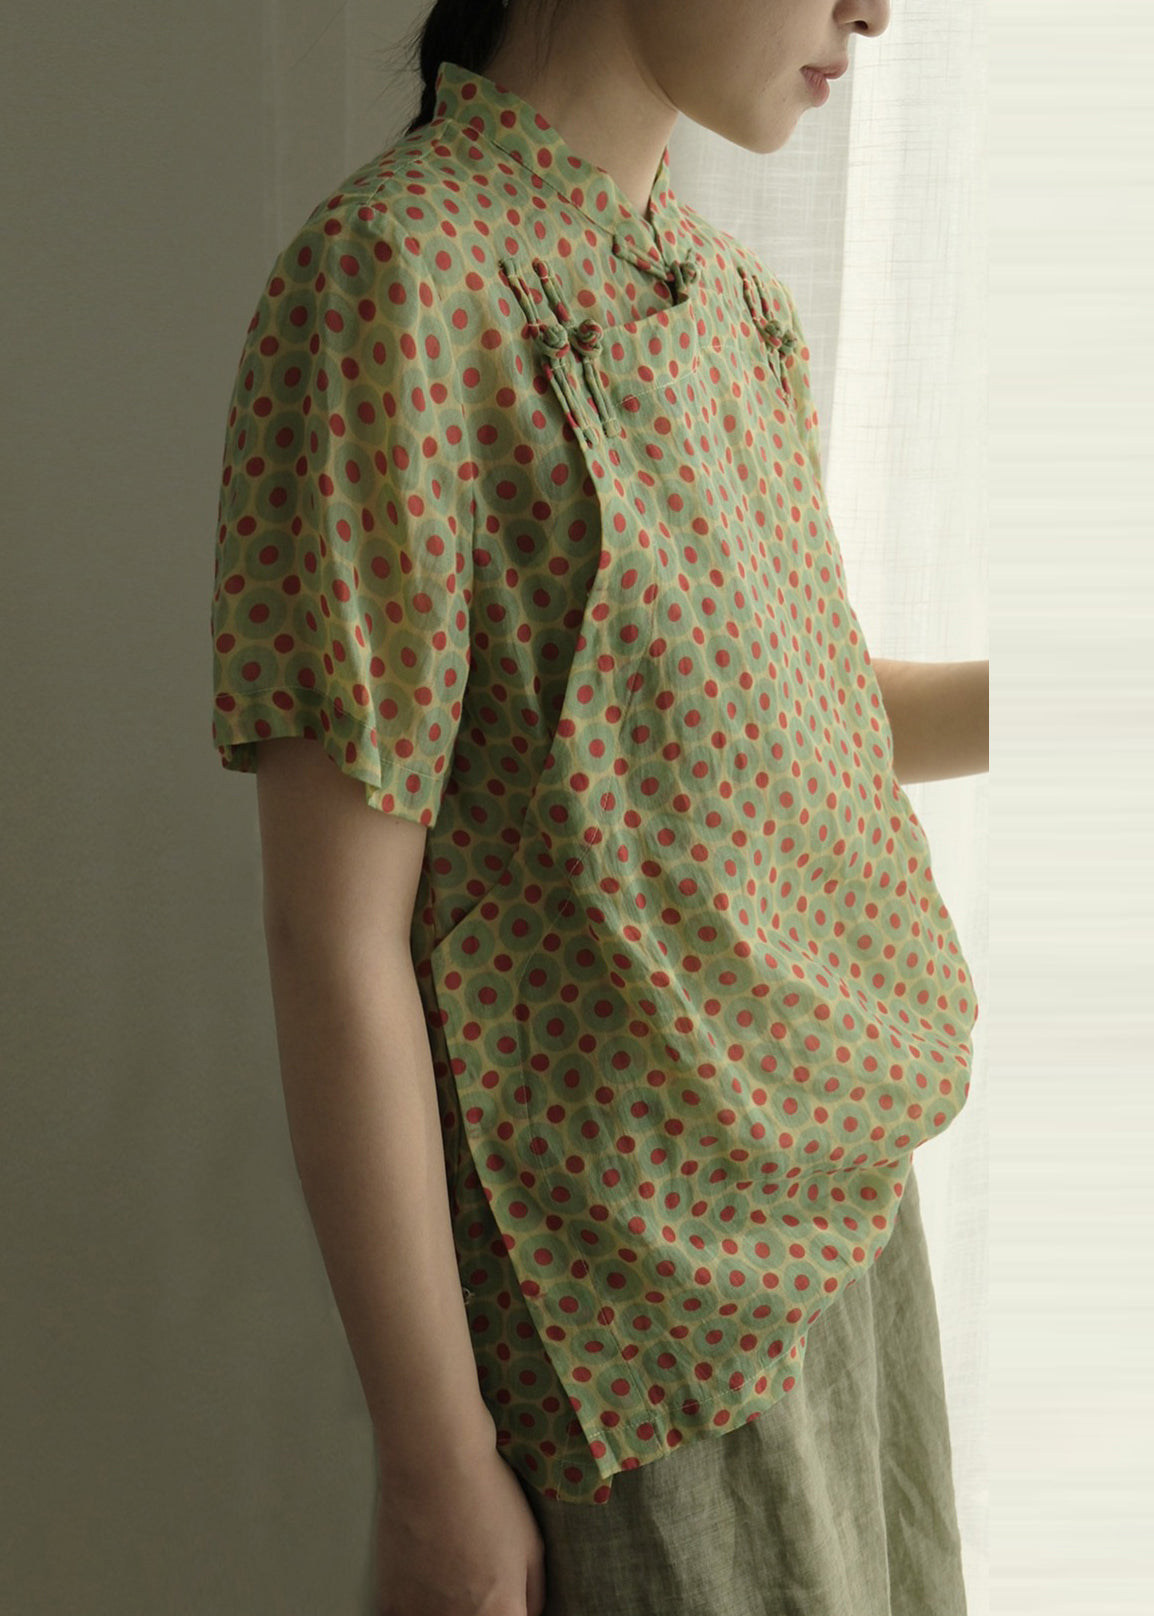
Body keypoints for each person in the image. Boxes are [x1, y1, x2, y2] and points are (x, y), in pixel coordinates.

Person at [209, 1, 988, 1611]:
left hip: (841, 1227)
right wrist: (434, 1462)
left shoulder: (729, 299)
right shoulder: (395, 285)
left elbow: (798, 717)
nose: (874, 9)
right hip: (631, 1332)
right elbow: (331, 938)